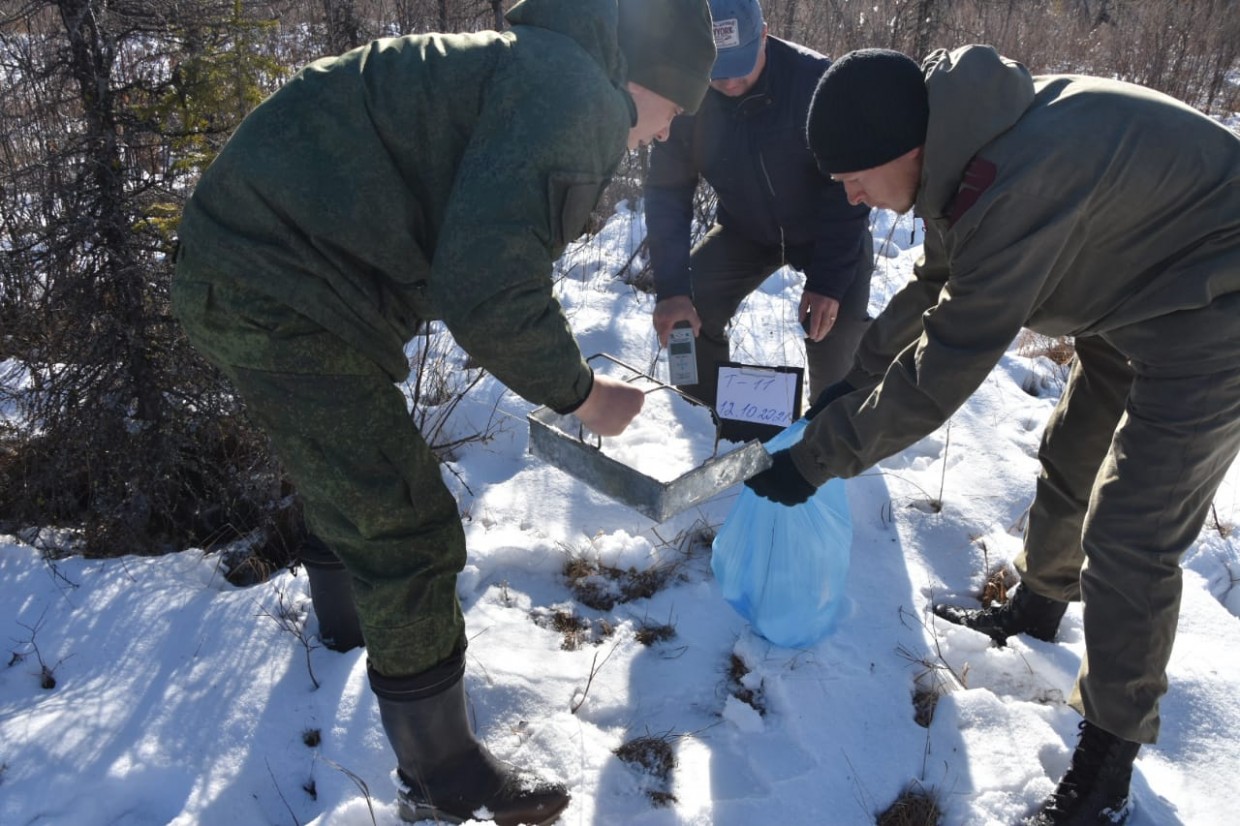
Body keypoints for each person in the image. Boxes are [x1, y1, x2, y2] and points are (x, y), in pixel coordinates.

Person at [170, 0, 716, 823]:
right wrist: (583, 395)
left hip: (262, 262)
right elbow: (486, 288)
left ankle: (351, 632)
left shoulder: (538, 64)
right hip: (274, 283)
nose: (667, 134)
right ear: (647, 79)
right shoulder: (578, 96)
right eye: (675, 110)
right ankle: (445, 775)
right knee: (404, 522)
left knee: (355, 468)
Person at [745, 46, 1240, 826]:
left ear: (899, 152)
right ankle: (1039, 608)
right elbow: (931, 288)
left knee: (1134, 532)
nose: (853, 199)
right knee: (1070, 450)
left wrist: (818, 458)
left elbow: (950, 360)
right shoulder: (958, 148)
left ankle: (1106, 768)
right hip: (1133, 281)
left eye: (855, 180)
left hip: (1218, 305)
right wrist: (850, 384)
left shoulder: (1020, 175)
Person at [645, 0, 873, 410]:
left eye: (741, 63)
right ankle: (714, 414)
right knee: (688, 312)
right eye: (716, 69)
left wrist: (828, 282)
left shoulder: (816, 80)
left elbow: (848, 190)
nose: (729, 80)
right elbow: (667, 193)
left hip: (826, 232)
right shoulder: (684, 97)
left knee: (835, 335)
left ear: (764, 34)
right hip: (745, 229)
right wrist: (672, 288)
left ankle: (823, 439)